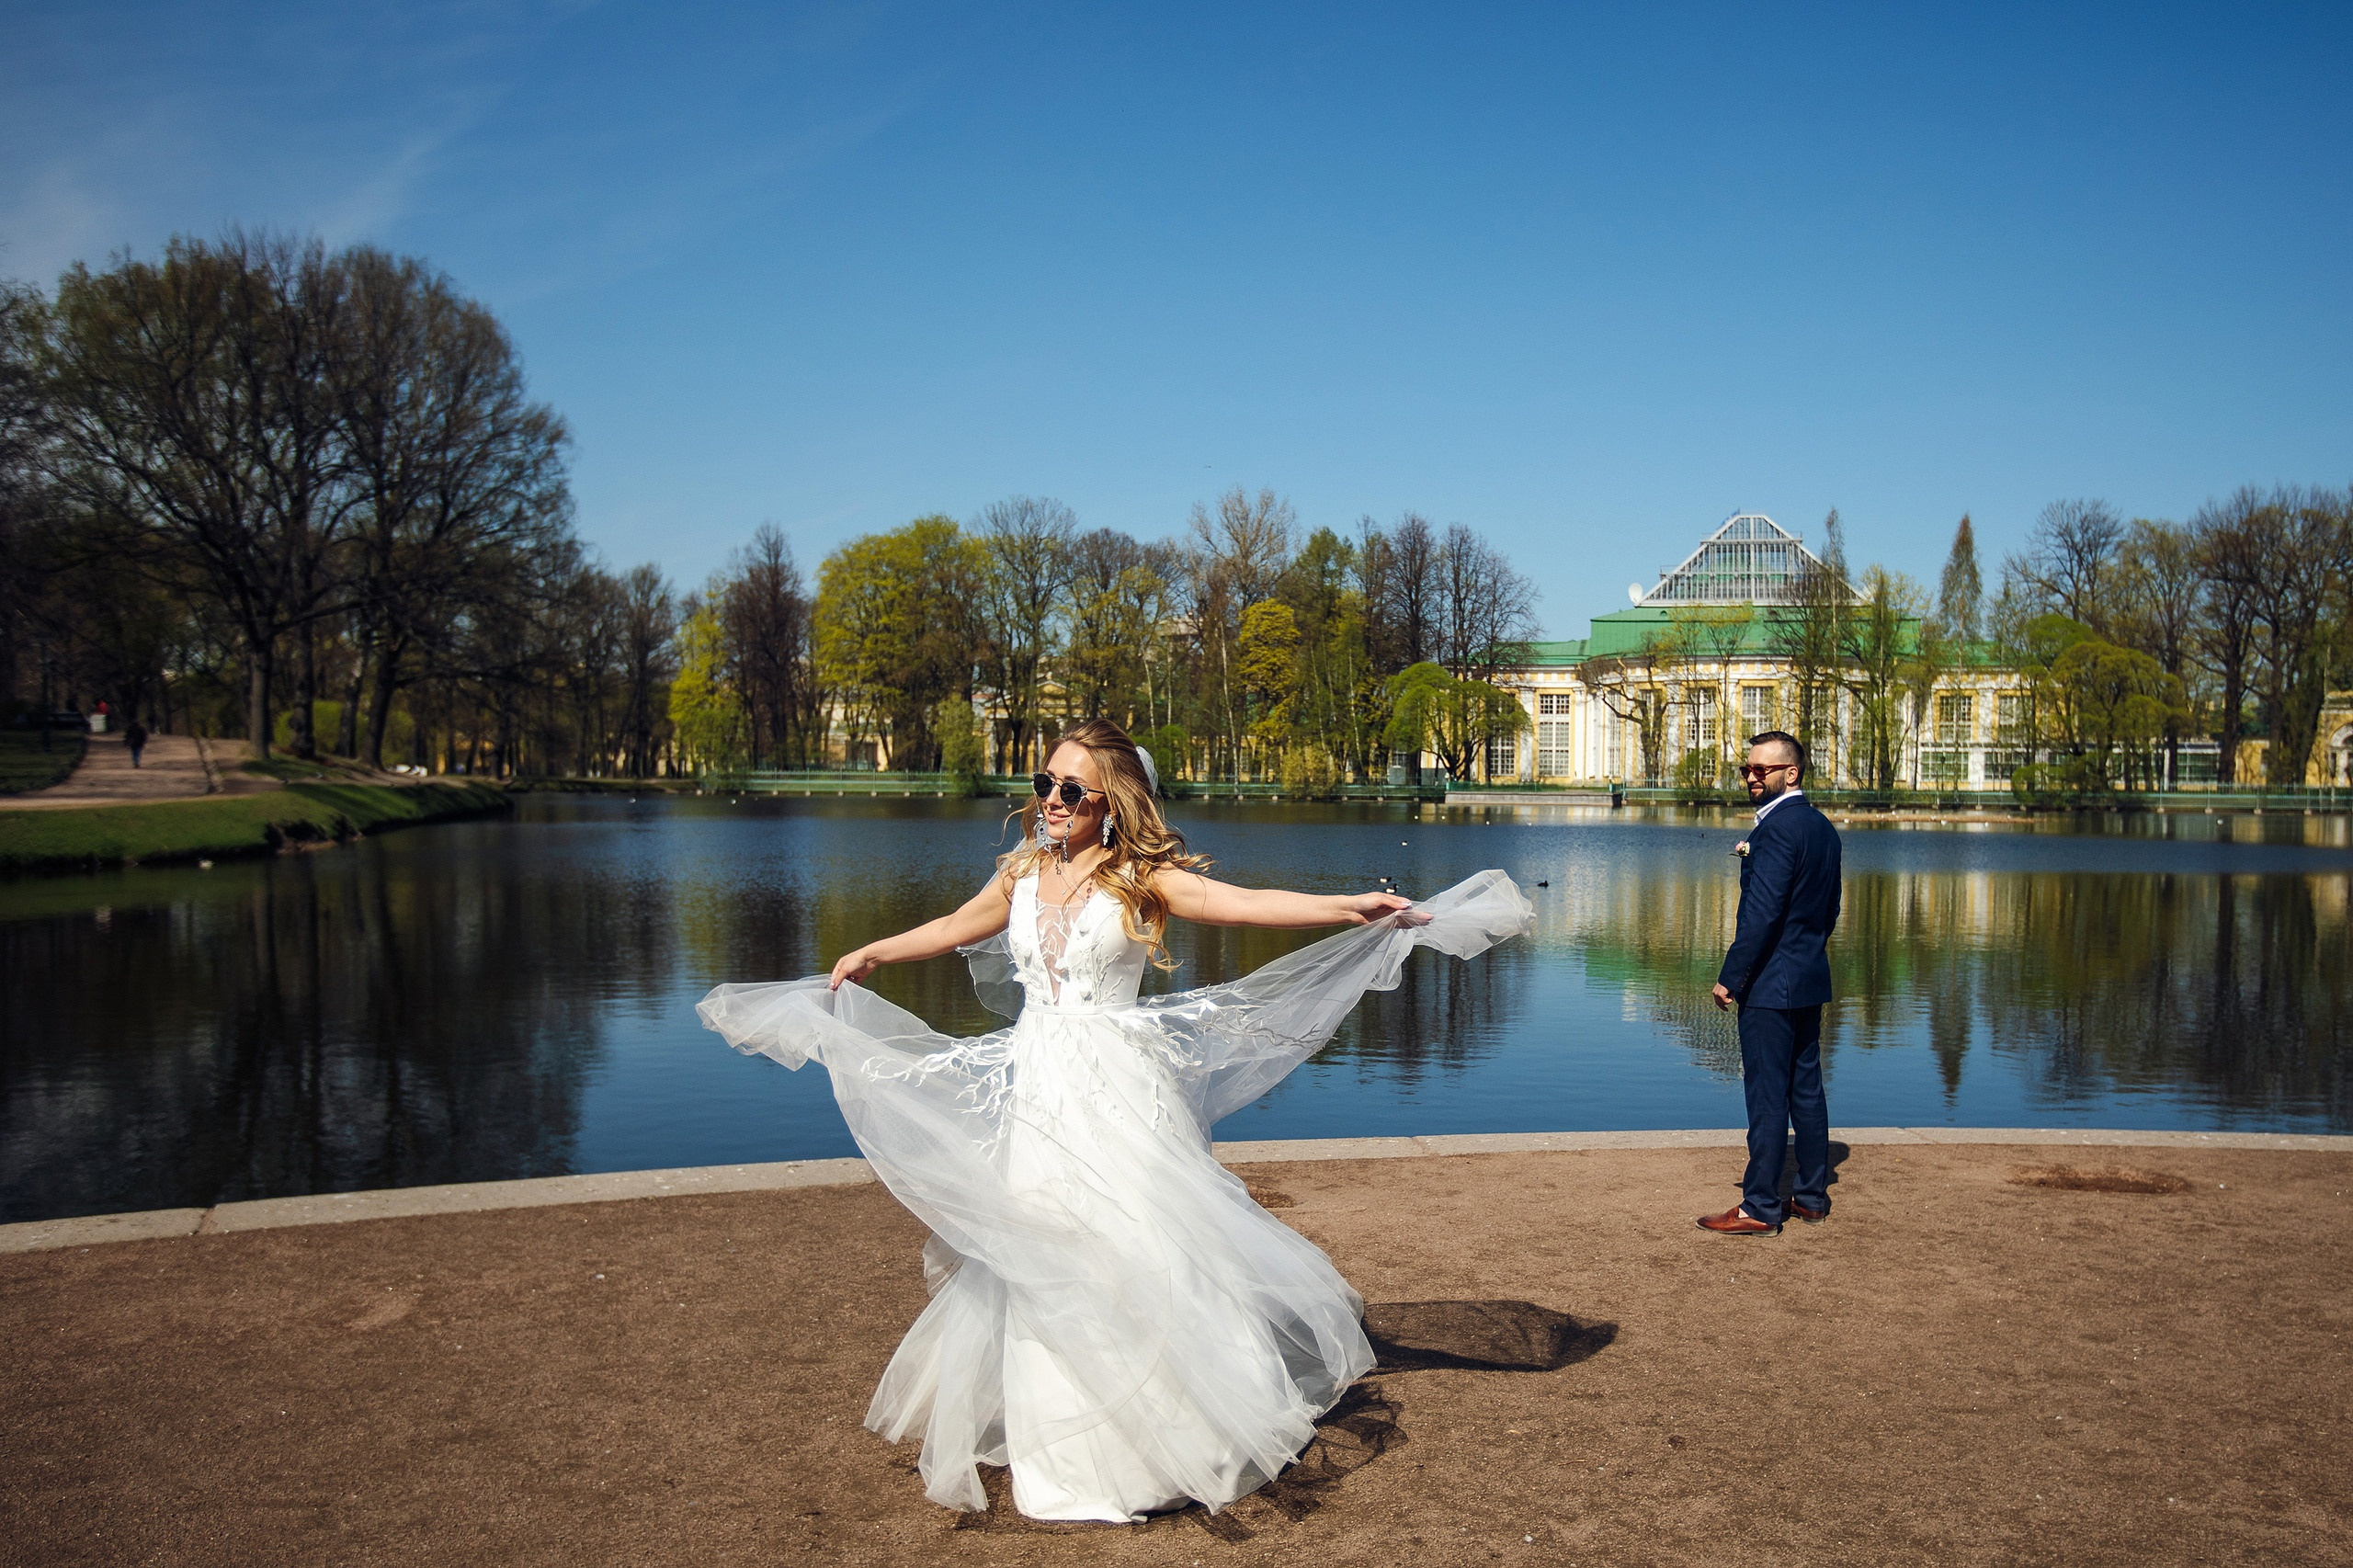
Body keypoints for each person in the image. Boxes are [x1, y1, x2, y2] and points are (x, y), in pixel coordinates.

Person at [699, 719, 1530, 1521]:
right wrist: (879, 950)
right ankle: (1062, 1458)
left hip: (1121, 1089)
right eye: (1045, 783)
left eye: (1073, 790)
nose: (1053, 800)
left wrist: (1342, 907)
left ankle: (1169, 1448)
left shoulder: (1140, 876)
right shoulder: (1023, 871)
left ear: (1111, 803)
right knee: (1042, 1254)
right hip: (1037, 1088)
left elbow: (1234, 903)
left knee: (1135, 1247)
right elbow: (960, 925)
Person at [1699, 730, 1842, 1237]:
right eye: (1747, 769)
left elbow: (1760, 915)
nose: (1752, 777)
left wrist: (1730, 977)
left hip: (1769, 984)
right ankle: (1811, 1197)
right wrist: (1806, 955)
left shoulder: (1777, 829)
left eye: (1763, 769)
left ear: (1791, 773)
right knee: (1807, 1090)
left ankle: (1759, 1204)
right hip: (1806, 977)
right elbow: (1829, 911)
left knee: (1766, 1095)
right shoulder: (1823, 828)